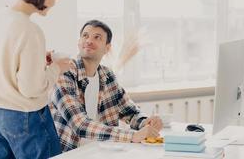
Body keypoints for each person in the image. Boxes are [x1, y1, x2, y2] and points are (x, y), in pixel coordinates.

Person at [0, 0, 73, 159]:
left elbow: (3, 59)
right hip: (22, 116)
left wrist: (39, 59)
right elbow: (31, 88)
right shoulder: (30, 30)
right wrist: (56, 68)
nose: (55, 2)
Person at [50, 20, 163, 152]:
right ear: (79, 42)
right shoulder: (64, 73)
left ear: (107, 48)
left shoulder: (107, 75)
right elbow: (79, 124)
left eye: (97, 37)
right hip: (69, 153)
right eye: (85, 36)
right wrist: (133, 135)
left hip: (102, 150)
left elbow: (130, 112)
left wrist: (146, 122)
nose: (89, 41)